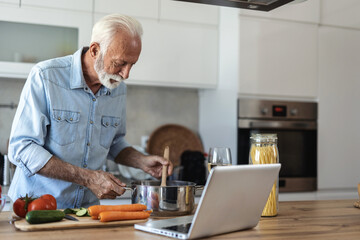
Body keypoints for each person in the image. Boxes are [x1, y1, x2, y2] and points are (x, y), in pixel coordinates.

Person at [7, 14, 173, 208]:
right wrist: (88, 178)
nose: (126, 74)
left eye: (132, 64)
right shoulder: (46, 77)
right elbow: (22, 148)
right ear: (95, 50)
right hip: (35, 208)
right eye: (120, 63)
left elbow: (114, 143)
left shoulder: (117, 88)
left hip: (86, 212)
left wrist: (141, 161)